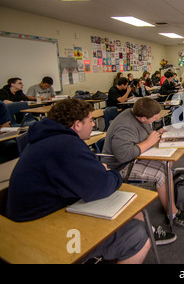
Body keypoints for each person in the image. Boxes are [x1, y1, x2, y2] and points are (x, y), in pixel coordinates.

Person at [4, 98, 157, 263]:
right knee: (139, 235)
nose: (93, 124)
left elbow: (87, 176)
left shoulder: (47, 140)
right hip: (42, 231)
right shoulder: (67, 146)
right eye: (90, 120)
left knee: (135, 212)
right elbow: (101, 186)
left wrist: (100, 173)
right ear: (77, 125)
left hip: (42, 215)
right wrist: (113, 174)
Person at [102, 97, 184, 228]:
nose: (156, 119)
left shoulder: (138, 114)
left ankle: (167, 200)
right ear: (143, 118)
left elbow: (141, 136)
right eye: (154, 118)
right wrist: (148, 142)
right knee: (162, 173)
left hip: (135, 157)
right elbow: (123, 155)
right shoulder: (125, 126)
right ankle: (173, 214)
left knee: (167, 164)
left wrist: (157, 134)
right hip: (119, 166)